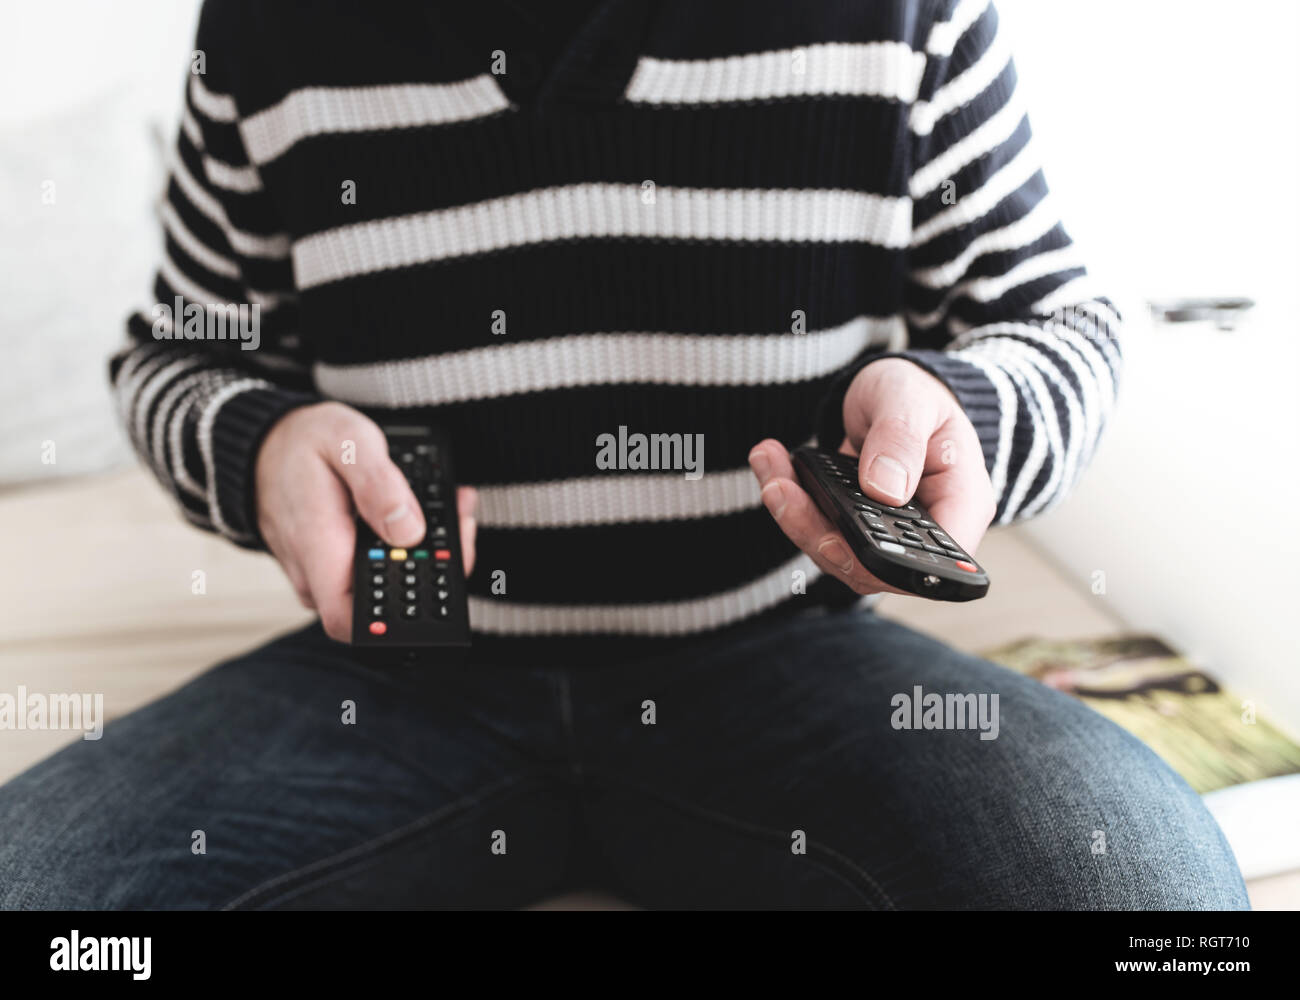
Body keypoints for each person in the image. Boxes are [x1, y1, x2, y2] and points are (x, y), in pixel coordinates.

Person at [0, 0, 1247, 909]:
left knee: (1150, 902)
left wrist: (959, 403)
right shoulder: (266, 34)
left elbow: (1058, 319)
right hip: (397, 678)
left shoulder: (908, 15)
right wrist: (261, 442)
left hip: (783, 659)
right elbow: (174, 355)